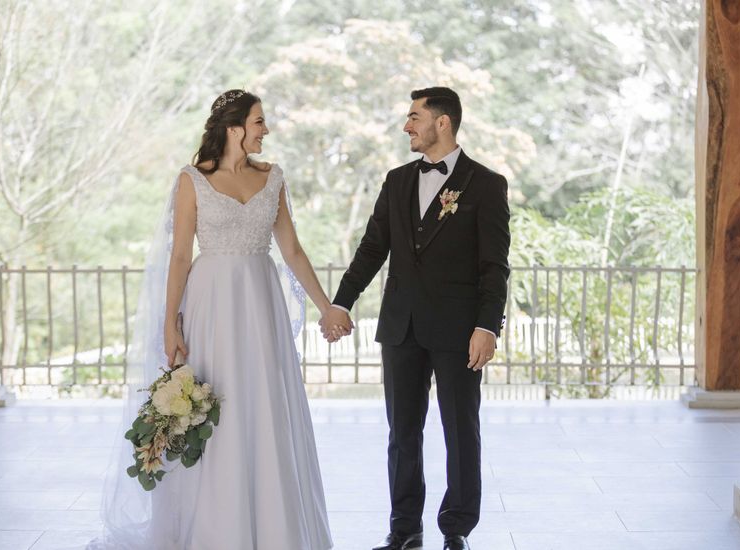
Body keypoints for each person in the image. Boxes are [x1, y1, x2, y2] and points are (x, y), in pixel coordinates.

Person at [92, 89, 335, 550]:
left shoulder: (273, 178)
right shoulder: (193, 179)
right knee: (216, 405)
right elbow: (181, 254)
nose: (266, 130)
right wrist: (170, 323)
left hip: (261, 304)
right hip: (210, 304)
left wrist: (327, 307)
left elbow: (293, 251)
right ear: (234, 128)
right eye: (260, 122)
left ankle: (272, 528)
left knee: (262, 404)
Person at [320, 87, 510, 550]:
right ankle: (404, 529)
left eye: (414, 117)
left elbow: (494, 265)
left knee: (460, 430)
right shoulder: (397, 180)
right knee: (402, 432)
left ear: (442, 123)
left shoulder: (486, 184)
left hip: (459, 331)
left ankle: (457, 528)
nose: (407, 126)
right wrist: (341, 302)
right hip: (401, 327)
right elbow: (372, 249)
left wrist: (487, 326)